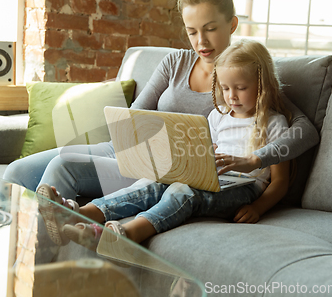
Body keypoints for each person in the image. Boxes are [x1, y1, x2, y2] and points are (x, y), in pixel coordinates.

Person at [3, 0, 318, 206]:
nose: (201, 42)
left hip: (166, 168)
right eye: (192, 31)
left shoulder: (246, 77)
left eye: (210, 29)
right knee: (15, 174)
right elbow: (134, 116)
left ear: (232, 24)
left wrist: (258, 158)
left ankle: (43, 261)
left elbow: (305, 130)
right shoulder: (175, 62)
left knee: (62, 168)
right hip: (127, 150)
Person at [39, 38, 291, 248]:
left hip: (244, 189)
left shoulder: (274, 122)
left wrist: (258, 207)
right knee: (153, 182)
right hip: (211, 179)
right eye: (225, 88)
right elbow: (206, 151)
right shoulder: (218, 116)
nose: (231, 96)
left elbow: (280, 181)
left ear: (262, 85)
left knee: (181, 192)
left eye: (240, 88)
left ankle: (129, 235)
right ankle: (77, 216)